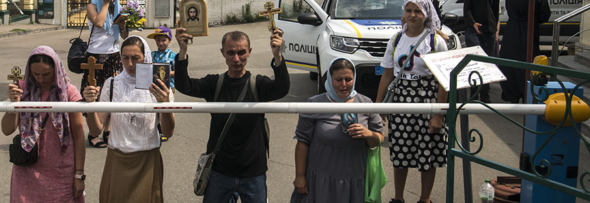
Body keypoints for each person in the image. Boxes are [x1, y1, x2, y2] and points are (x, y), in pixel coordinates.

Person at [174, 26, 290, 203]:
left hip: (253, 172)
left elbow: (281, 89)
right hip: (220, 171)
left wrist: (277, 56)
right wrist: (182, 51)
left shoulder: (258, 84)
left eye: (242, 52)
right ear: (222, 53)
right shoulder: (215, 83)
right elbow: (185, 86)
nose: (236, 59)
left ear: (250, 52)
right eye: (231, 53)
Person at [82, 36, 175, 203]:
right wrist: (90, 106)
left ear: (145, 56)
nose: (130, 64)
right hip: (118, 160)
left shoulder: (160, 85)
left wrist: (164, 103)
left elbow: (168, 132)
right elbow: (96, 130)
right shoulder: (112, 84)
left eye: (135, 58)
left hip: (147, 161)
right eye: (125, 58)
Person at [376, 0, 449, 203]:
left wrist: (438, 115)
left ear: (426, 14)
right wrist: (379, 106)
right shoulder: (397, 38)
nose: (412, 15)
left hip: (427, 99)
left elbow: (443, 81)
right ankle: (398, 198)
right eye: (409, 11)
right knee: (400, 151)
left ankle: (424, 199)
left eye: (417, 11)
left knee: (428, 152)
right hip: (401, 100)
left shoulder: (435, 40)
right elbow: (387, 73)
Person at [291, 57, 384, 203]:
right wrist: (300, 176)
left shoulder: (366, 104)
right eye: (338, 79)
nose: (344, 84)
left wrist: (368, 134)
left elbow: (379, 139)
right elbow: (302, 142)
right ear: (329, 78)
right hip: (320, 181)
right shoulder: (314, 104)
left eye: (348, 79)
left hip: (355, 180)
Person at [2, 46, 86, 202]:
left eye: (46, 74)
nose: (40, 79)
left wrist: (79, 174)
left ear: (56, 70)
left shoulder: (68, 92)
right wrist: (13, 105)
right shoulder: (23, 90)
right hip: (27, 169)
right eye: (36, 74)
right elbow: (7, 130)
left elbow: (79, 135)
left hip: (61, 171)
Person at [84, 0, 130, 148]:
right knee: (94, 94)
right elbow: (98, 22)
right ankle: (93, 133)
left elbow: (124, 36)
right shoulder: (92, 7)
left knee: (112, 93)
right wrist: (104, 3)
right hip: (95, 57)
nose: (111, 0)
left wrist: (123, 25)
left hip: (113, 56)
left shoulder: (116, 9)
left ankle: (108, 128)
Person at [498, 0, 551, 103]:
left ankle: (511, 94)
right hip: (529, 28)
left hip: (512, 29)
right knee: (528, 60)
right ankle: (527, 93)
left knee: (509, 61)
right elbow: (545, 14)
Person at [463, 0, 502, 103]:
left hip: (490, 30)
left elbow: (495, 10)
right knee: (475, 62)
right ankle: (474, 94)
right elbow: (466, 8)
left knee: (487, 63)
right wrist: (473, 23)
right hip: (474, 29)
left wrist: (497, 29)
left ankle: (485, 95)